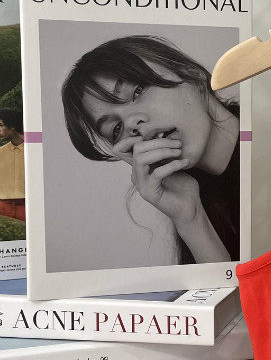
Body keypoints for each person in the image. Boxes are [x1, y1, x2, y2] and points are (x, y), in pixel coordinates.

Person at [61, 36, 239, 265]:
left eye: (137, 91)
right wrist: (191, 219)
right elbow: (232, 290)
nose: (132, 124)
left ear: (190, 73)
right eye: (116, 129)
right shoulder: (194, 205)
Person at [0, 107, 25, 221]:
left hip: (28, 206)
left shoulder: (36, 148)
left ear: (13, 126)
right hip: (3, 207)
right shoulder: (1, 152)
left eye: (0, 125)